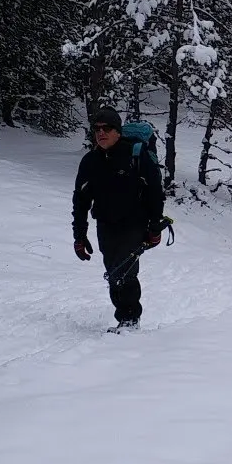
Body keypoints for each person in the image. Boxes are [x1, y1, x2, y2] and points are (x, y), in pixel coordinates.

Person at [72, 107, 166, 331]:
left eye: (106, 128)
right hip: (105, 225)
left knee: (124, 271)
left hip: (134, 223)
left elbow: (155, 192)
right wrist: (80, 235)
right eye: (97, 129)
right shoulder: (90, 161)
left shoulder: (135, 155)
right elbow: (81, 200)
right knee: (113, 272)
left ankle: (130, 320)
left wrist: (155, 227)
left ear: (118, 131)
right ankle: (125, 318)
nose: (100, 133)